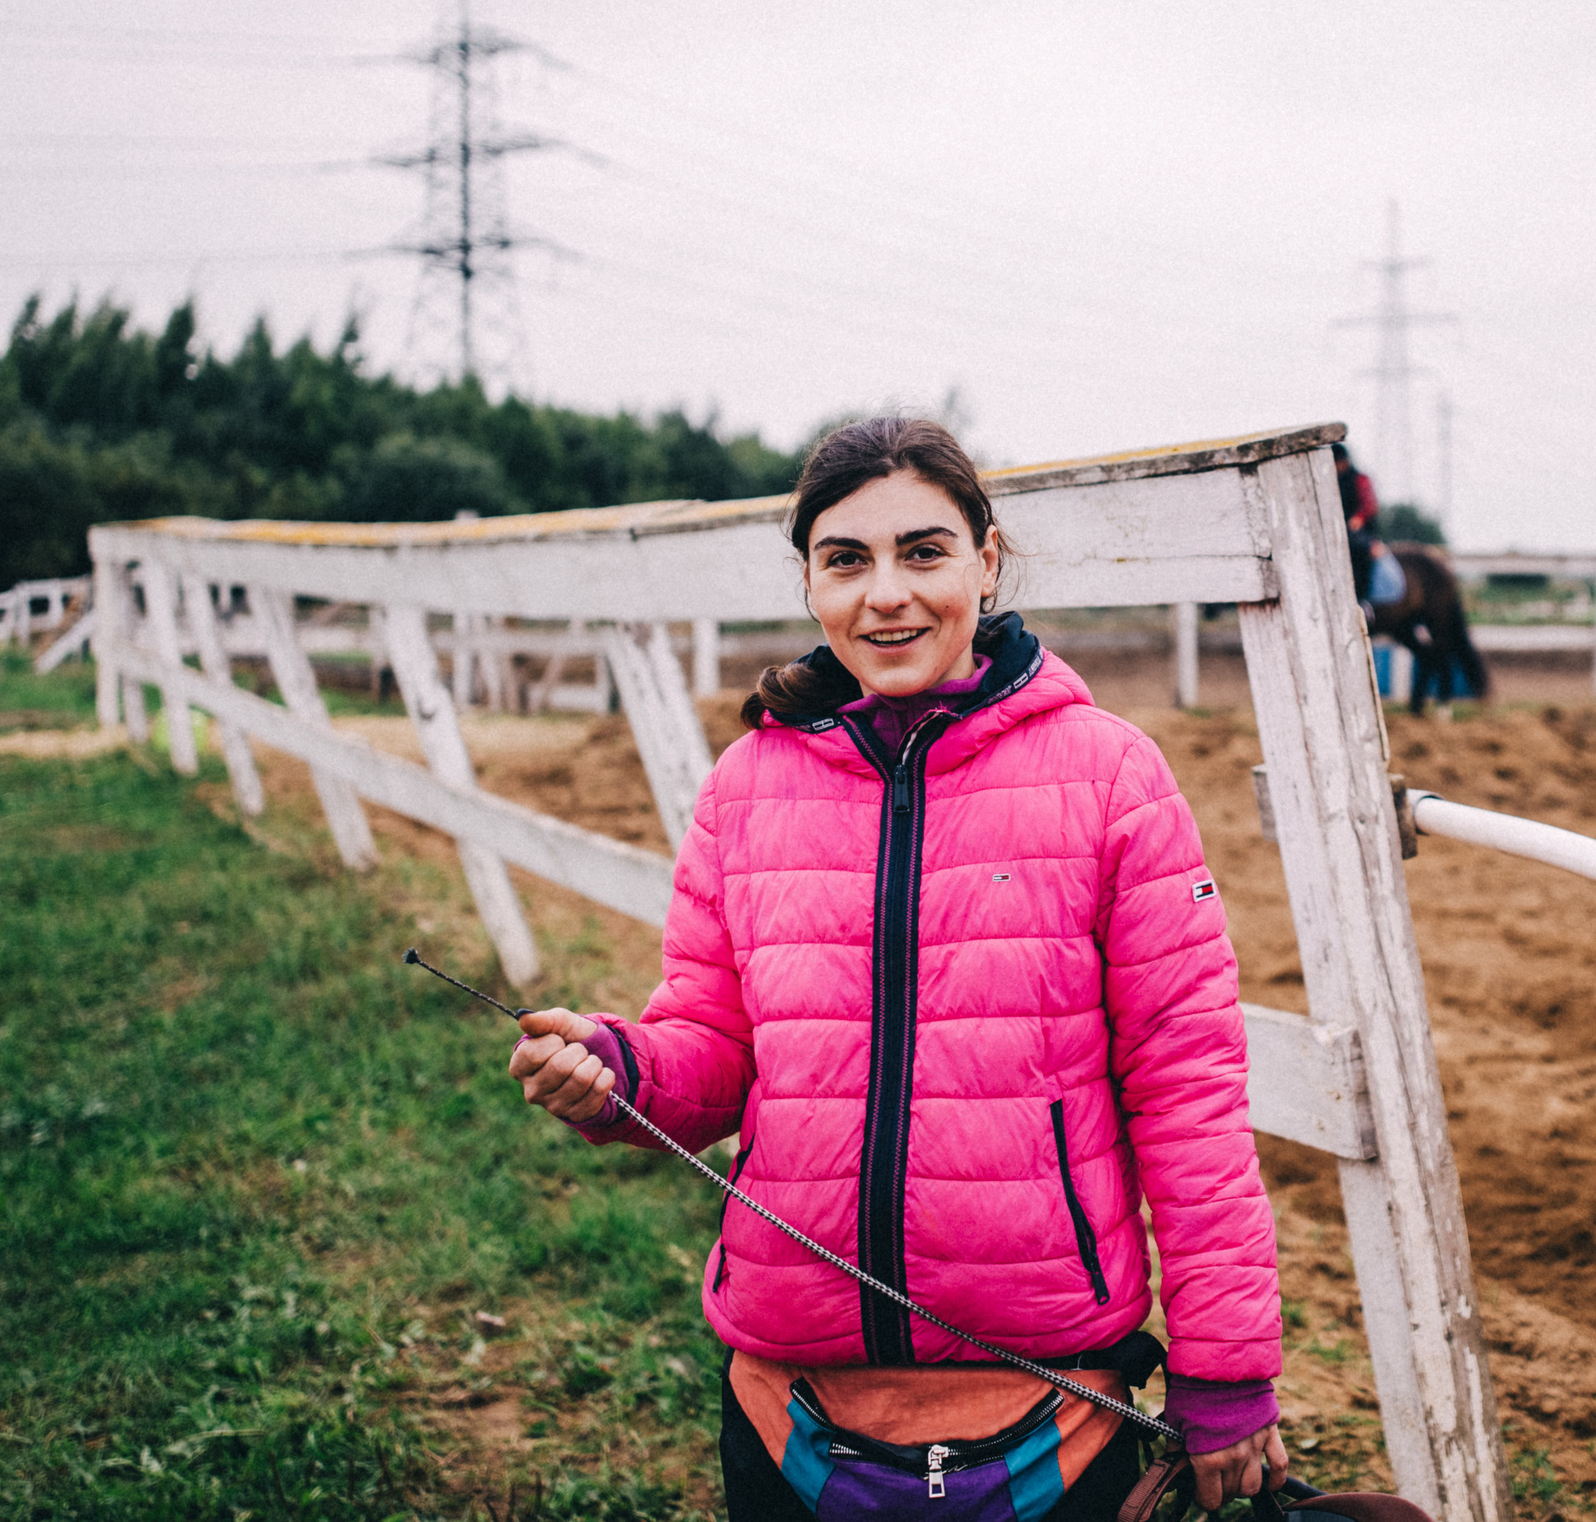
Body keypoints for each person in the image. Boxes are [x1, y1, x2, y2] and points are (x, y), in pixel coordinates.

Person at [509, 417, 1287, 1522]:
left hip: (1056, 1405)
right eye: (846, 560)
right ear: (810, 584)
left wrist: (1226, 1366)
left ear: (986, 559)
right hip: (790, 1400)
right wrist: (619, 1073)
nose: (887, 595)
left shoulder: (1112, 778)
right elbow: (714, 1048)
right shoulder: (746, 785)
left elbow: (1188, 1091)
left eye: (923, 552)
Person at [1332, 443, 1380, 609]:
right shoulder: (1331, 481)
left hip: (1359, 531)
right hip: (1338, 529)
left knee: (1358, 550)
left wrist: (1358, 518)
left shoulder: (1360, 479)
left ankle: (1362, 599)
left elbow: (1370, 505)